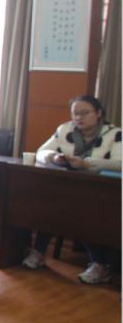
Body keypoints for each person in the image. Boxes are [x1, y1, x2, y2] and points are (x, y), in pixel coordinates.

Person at [23, 95, 122, 283]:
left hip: (101, 193)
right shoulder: (65, 130)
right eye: (75, 113)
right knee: (50, 207)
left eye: (84, 113)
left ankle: (100, 265)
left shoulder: (115, 134)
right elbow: (41, 152)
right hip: (67, 188)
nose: (78, 118)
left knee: (80, 213)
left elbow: (120, 164)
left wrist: (87, 164)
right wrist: (54, 157)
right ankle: (39, 252)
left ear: (98, 113)